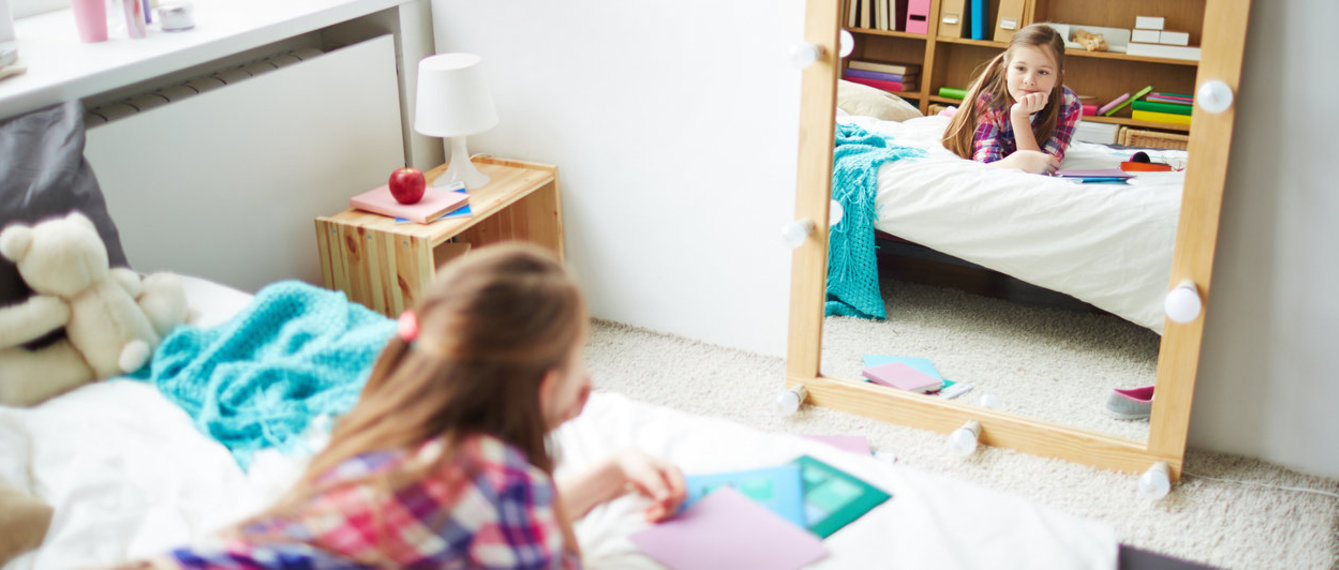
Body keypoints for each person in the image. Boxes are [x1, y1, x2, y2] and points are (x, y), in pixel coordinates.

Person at [132, 243, 686, 569]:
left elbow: (470, 517)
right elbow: (514, 524)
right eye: (575, 361)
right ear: (542, 388)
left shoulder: (379, 434)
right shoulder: (508, 487)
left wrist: (613, 473)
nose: (586, 382)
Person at [941, 24, 1082, 174]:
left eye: (1043, 72)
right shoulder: (989, 101)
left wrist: (1020, 117)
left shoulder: (1069, 104)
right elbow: (986, 165)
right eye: (1021, 68)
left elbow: (1043, 167)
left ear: (1057, 78)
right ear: (1007, 71)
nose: (1029, 80)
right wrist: (1019, 161)